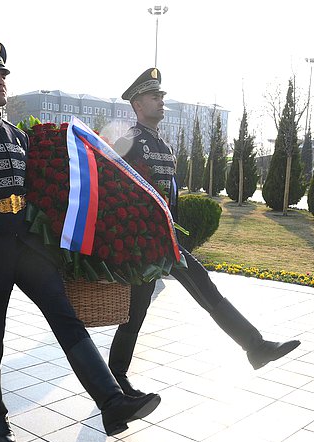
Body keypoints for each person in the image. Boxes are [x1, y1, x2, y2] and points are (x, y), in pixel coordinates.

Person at [0, 40, 161, 442]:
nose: (1, 81)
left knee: (66, 317)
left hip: (29, 248)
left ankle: (110, 402)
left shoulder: (19, 137)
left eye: (3, 75)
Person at [111, 68, 301, 395]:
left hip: (163, 238)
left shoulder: (161, 143)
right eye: (154, 96)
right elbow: (115, 191)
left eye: (161, 96)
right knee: (138, 309)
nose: (161, 101)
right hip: (142, 243)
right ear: (137, 104)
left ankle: (255, 346)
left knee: (200, 286)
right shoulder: (129, 141)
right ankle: (115, 379)